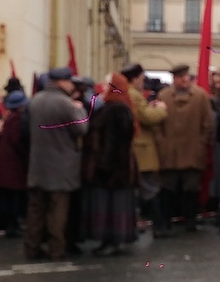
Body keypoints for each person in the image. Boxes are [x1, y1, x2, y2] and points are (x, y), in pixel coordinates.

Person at [25, 67, 87, 260]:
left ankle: (32, 248)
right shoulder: (66, 104)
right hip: (61, 167)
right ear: (61, 82)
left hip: (38, 165)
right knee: (57, 211)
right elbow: (81, 129)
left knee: (36, 210)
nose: (71, 85)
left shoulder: (35, 100)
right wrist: (81, 109)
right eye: (70, 81)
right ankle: (56, 249)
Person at [82, 73, 139, 257]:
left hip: (112, 170)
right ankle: (109, 240)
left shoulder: (118, 110)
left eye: (107, 85)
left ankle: (114, 241)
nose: (103, 88)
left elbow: (117, 143)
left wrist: (104, 165)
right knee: (109, 207)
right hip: (112, 169)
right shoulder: (114, 107)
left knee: (111, 207)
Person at [155, 64, 214, 234]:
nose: (185, 79)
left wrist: (201, 143)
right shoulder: (163, 95)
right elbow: (157, 124)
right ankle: (167, 221)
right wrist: (161, 142)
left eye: (186, 76)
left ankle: (191, 221)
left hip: (193, 151)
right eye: (181, 77)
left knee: (191, 189)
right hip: (169, 151)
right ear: (174, 78)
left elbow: (207, 124)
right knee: (168, 189)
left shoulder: (201, 96)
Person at [121, 63, 169, 236]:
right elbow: (147, 118)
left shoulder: (127, 93)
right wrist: (161, 110)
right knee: (150, 188)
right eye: (141, 79)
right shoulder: (133, 95)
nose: (143, 82)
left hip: (136, 149)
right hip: (141, 150)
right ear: (134, 79)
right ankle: (159, 227)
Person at [0, 87, 30, 237]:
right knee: (13, 196)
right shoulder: (16, 120)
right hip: (13, 165)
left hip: (4, 164)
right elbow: (17, 141)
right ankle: (12, 226)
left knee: (7, 196)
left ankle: (10, 224)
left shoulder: (6, 119)